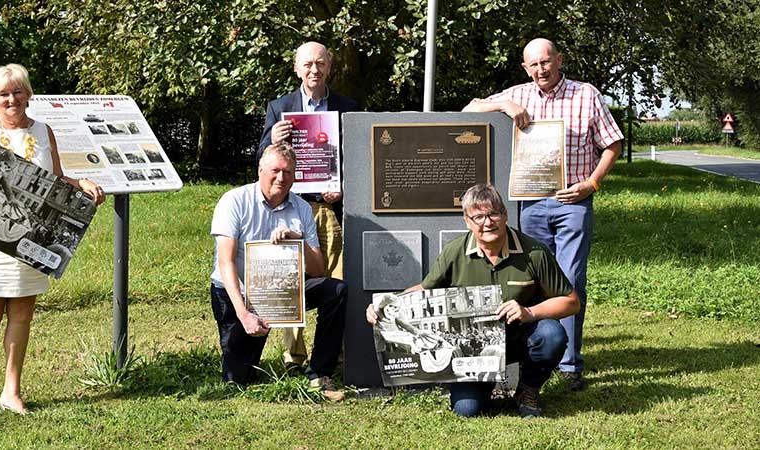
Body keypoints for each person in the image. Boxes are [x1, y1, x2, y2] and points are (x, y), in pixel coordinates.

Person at [462, 38, 623, 391]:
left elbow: (613, 144)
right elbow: (469, 109)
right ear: (525, 67)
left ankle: (569, 365)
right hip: (530, 204)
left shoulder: (586, 95)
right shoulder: (518, 93)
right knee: (532, 279)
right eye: (533, 65)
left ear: (559, 60)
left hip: (573, 203)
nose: (541, 70)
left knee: (570, 279)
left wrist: (591, 184)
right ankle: (534, 360)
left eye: (546, 62)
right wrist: (504, 105)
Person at [0, 64, 106, 415]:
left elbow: (55, 179)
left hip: (32, 237)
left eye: (18, 91)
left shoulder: (44, 131)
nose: (12, 99)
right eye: (4, 94)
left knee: (23, 311)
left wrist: (81, 184)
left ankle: (12, 391)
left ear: (28, 94)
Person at [366, 184, 579, 418]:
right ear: (467, 221)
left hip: (521, 336)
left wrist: (529, 312)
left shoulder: (534, 252)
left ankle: (528, 389)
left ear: (505, 214)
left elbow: (571, 301)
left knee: (551, 335)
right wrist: (386, 305)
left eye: (493, 214)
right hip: (474, 351)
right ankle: (482, 388)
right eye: (478, 217)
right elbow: (424, 290)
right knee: (467, 410)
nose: (487, 223)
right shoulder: (454, 252)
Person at [210, 143, 347, 401]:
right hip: (238, 293)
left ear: (295, 177)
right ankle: (244, 355)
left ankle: (319, 372)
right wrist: (244, 314)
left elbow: (318, 270)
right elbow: (226, 262)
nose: (281, 178)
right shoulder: (234, 201)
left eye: (288, 172)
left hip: (284, 290)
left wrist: (298, 242)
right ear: (260, 169)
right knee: (237, 378)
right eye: (275, 170)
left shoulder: (302, 209)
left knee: (336, 290)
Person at [258, 41, 359, 372]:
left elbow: (359, 160)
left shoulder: (347, 106)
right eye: (307, 65)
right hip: (292, 208)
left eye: (320, 63)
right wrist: (273, 138)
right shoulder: (279, 107)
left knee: (337, 281)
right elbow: (262, 161)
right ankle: (294, 358)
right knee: (292, 281)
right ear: (296, 68)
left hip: (332, 210)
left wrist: (344, 188)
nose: (314, 70)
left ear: (330, 66)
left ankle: (334, 355)